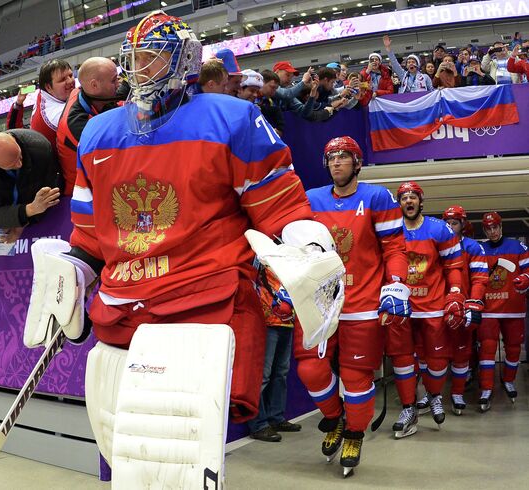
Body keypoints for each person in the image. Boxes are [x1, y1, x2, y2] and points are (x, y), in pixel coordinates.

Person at [36, 11, 341, 482]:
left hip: (203, 303)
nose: (139, 69)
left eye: (153, 58)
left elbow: (279, 207)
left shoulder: (233, 116)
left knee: (178, 453)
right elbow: (91, 234)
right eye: (134, 58)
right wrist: (71, 275)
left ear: (184, 64)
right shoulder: (98, 131)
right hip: (121, 309)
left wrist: (309, 246)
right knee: (125, 452)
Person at [300, 137, 408, 474]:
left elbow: (393, 247)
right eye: (331, 157)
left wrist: (396, 284)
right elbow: (297, 248)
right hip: (320, 302)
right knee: (310, 369)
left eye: (343, 157)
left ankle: (354, 433)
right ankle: (334, 418)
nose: (336, 163)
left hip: (361, 302)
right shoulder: (311, 199)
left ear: (357, 163)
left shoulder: (377, 197)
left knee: (356, 376)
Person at [393, 182, 463, 438]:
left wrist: (455, 293)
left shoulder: (439, 228)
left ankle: (434, 395)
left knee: (435, 360)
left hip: (433, 307)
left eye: (413, 197)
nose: (408, 201)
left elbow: (454, 265)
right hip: (401, 307)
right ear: (399, 203)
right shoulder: (391, 230)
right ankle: (408, 407)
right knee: (402, 360)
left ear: (421, 201)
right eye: (404, 198)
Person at [0, 130, 61, 242]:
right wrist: (30, 209)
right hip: (18, 215)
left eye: (20, 156)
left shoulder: (40, 148)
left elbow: (51, 190)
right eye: (11, 165)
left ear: (14, 140)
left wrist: (22, 221)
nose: (19, 164)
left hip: (49, 217)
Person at [478, 211, 529, 410]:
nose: (492, 231)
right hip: (488, 310)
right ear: (484, 230)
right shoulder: (480, 249)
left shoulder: (518, 247)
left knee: (514, 347)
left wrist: (526, 279)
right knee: (487, 349)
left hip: (513, 308)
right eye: (488, 228)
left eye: (495, 227)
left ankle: (509, 380)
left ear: (501, 226)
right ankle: (486, 388)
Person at [442, 205, 488, 415]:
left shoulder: (473, 247)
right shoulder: (437, 244)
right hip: (439, 306)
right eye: (448, 223)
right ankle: (431, 394)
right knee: (432, 354)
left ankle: (458, 393)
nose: (450, 227)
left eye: (454, 223)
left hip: (462, 309)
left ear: (462, 224)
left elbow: (479, 278)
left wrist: (473, 301)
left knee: (462, 353)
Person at [248, 267, 300, 442]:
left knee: (281, 373)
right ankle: (258, 425)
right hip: (265, 318)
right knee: (264, 374)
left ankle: (276, 418)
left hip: (287, 320)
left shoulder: (288, 249)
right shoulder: (259, 250)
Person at [56, 57, 120, 196]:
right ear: (94, 85)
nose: (119, 84)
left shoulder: (88, 92)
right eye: (114, 80)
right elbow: (116, 154)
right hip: (84, 192)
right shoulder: (76, 125)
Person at [6, 58, 76, 152]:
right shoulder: (56, 114)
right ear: (48, 87)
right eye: (63, 79)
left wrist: (18, 103)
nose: (70, 81)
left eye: (71, 75)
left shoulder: (44, 93)